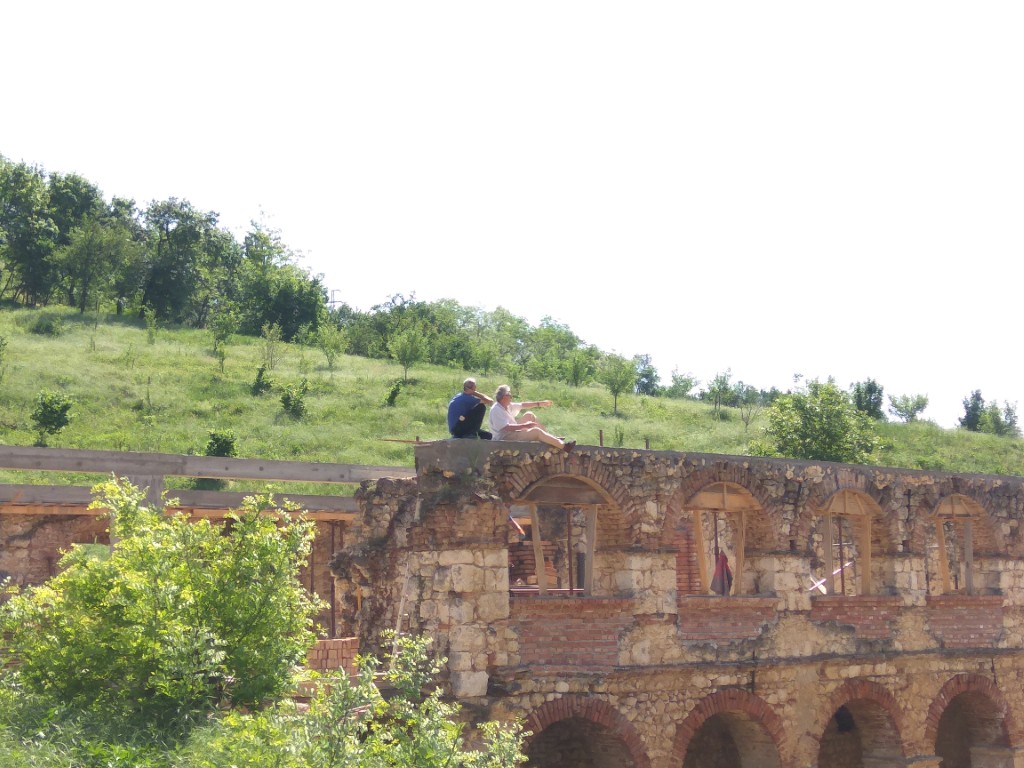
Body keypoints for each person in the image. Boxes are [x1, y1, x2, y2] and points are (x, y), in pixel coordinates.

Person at [489, 384, 575, 452]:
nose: (511, 397)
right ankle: (564, 447)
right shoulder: (496, 409)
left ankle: (551, 438)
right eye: (510, 394)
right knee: (536, 431)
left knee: (529, 415)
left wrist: (540, 403)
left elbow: (523, 405)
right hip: (504, 438)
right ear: (504, 397)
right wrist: (524, 426)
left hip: (511, 432)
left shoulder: (507, 405)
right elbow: (506, 427)